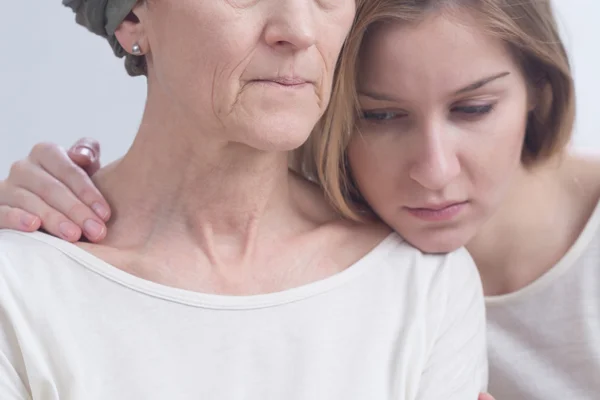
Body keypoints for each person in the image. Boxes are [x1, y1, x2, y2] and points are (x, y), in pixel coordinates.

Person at [3, 0, 599, 399]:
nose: (297, 27)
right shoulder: (24, 283)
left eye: (473, 109)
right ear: (131, 18)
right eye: (381, 114)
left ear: (539, 94)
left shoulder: (424, 285)